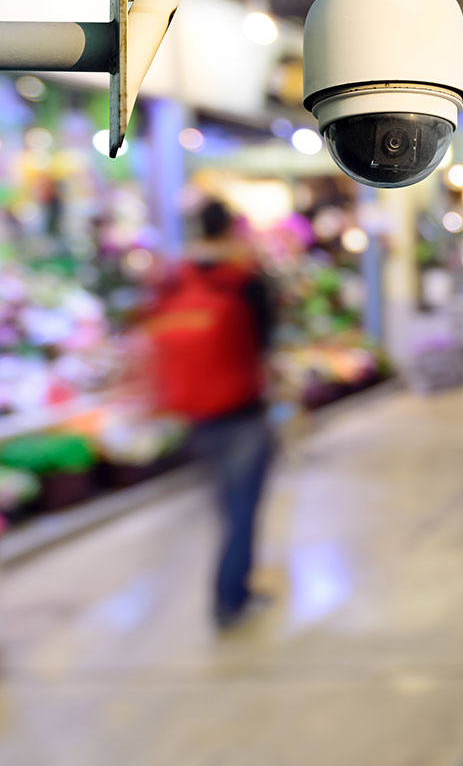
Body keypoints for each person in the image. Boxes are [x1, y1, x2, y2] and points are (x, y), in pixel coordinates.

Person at [145, 199, 276, 630]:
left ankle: (233, 591)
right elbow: (266, 341)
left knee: (225, 508)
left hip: (195, 414)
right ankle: (229, 600)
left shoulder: (175, 279)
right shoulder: (243, 280)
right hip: (241, 411)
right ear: (232, 230)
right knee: (242, 512)